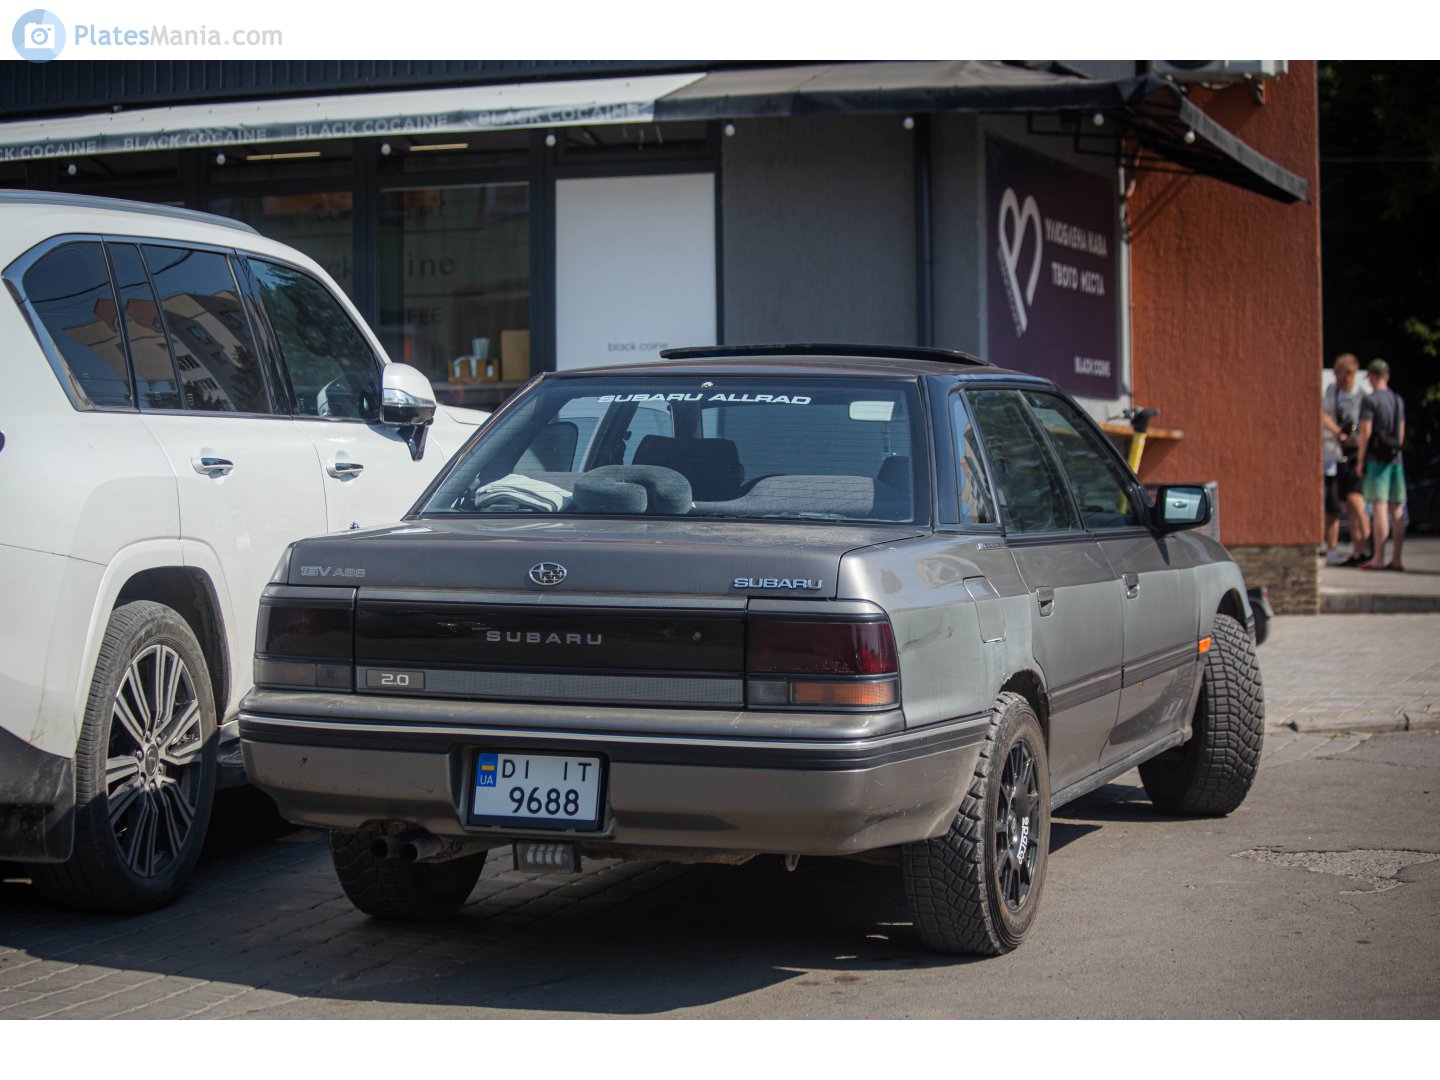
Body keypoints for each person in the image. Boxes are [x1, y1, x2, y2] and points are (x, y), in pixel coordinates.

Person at [1356, 358, 1406, 571]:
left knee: (1379, 507)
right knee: (1397, 509)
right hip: (1396, 459)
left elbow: (1365, 431)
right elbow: (1401, 432)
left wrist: (1360, 459)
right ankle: (1396, 559)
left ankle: (1378, 558)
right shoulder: (1397, 399)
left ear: (1373, 376)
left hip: (1377, 460)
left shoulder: (1371, 400)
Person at [1321, 354, 1371, 565]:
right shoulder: (1333, 391)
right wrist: (1339, 432)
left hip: (1355, 455)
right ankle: (1355, 550)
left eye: (1338, 370)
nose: (1334, 374)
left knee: (1355, 500)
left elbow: (1368, 425)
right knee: (1338, 506)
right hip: (1335, 454)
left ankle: (1368, 547)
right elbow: (1321, 414)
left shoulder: (1362, 395)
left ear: (1349, 373)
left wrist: (1357, 442)